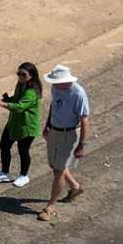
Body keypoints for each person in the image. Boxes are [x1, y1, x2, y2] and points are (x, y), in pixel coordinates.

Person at [37, 64, 91, 221]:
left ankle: (51, 206)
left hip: (69, 134)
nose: (53, 84)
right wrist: (48, 125)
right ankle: (75, 187)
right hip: (54, 131)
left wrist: (81, 145)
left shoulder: (78, 93)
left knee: (58, 170)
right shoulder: (56, 88)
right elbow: (54, 106)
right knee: (55, 165)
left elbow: (84, 119)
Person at [0, 62, 43, 187]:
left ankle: (24, 175)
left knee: (23, 150)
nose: (20, 77)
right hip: (14, 122)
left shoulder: (31, 92)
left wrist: (0, 104)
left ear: (32, 76)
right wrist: (7, 99)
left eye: (23, 74)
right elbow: (16, 100)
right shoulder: (20, 85)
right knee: (4, 146)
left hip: (26, 126)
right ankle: (5, 173)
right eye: (18, 74)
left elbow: (20, 107)